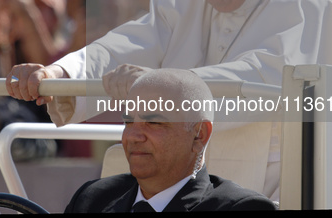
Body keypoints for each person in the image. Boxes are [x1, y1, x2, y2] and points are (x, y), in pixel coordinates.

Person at [6, 0, 332, 200]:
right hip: (182, 183)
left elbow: (264, 78)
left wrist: (162, 84)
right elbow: (123, 46)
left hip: (278, 186)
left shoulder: (303, 3)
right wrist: (60, 71)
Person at [65, 68, 276, 212]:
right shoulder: (91, 199)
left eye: (154, 123)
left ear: (199, 134)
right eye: (128, 122)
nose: (134, 136)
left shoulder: (241, 207)